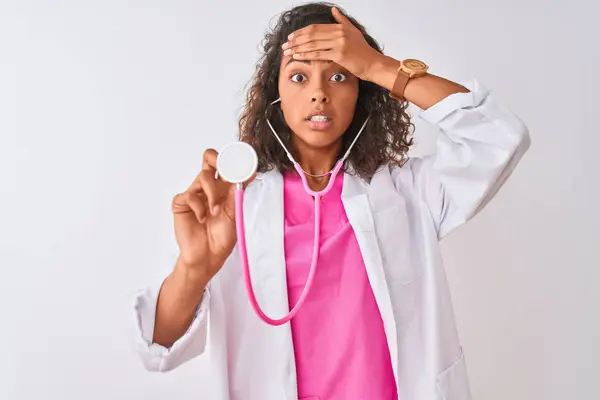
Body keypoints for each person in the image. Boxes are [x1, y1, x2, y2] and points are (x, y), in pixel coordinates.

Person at [130, 3, 530, 400]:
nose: (319, 94)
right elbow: (158, 347)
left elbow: (497, 137)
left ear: (361, 93)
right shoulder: (235, 205)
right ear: (276, 97)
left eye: (339, 76)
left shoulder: (406, 190)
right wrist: (195, 267)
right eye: (299, 77)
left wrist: (377, 65)